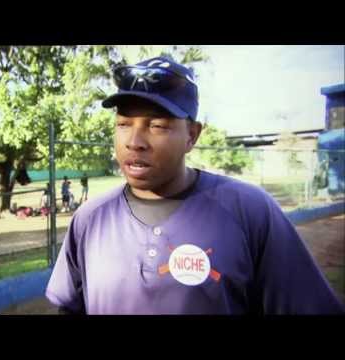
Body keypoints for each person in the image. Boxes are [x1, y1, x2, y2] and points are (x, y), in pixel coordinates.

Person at [45, 56, 344, 315]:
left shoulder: (250, 211)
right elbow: (71, 306)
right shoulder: (90, 218)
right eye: (123, 124)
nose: (134, 142)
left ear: (192, 135)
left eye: (157, 125)